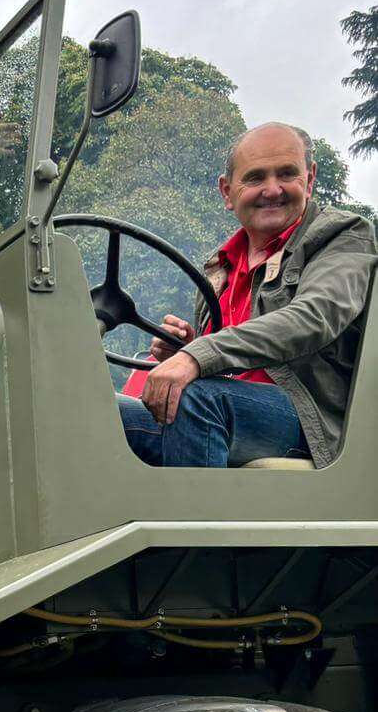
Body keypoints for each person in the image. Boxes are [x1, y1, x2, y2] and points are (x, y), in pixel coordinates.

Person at [117, 123, 377, 468]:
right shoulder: (219, 266)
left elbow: (314, 317)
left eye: (287, 174)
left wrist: (198, 355)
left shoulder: (341, 236)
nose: (273, 189)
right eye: (255, 178)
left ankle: (196, 505)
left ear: (310, 179)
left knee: (199, 399)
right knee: (102, 413)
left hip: (310, 420)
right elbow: (221, 362)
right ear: (227, 192)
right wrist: (183, 350)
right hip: (223, 411)